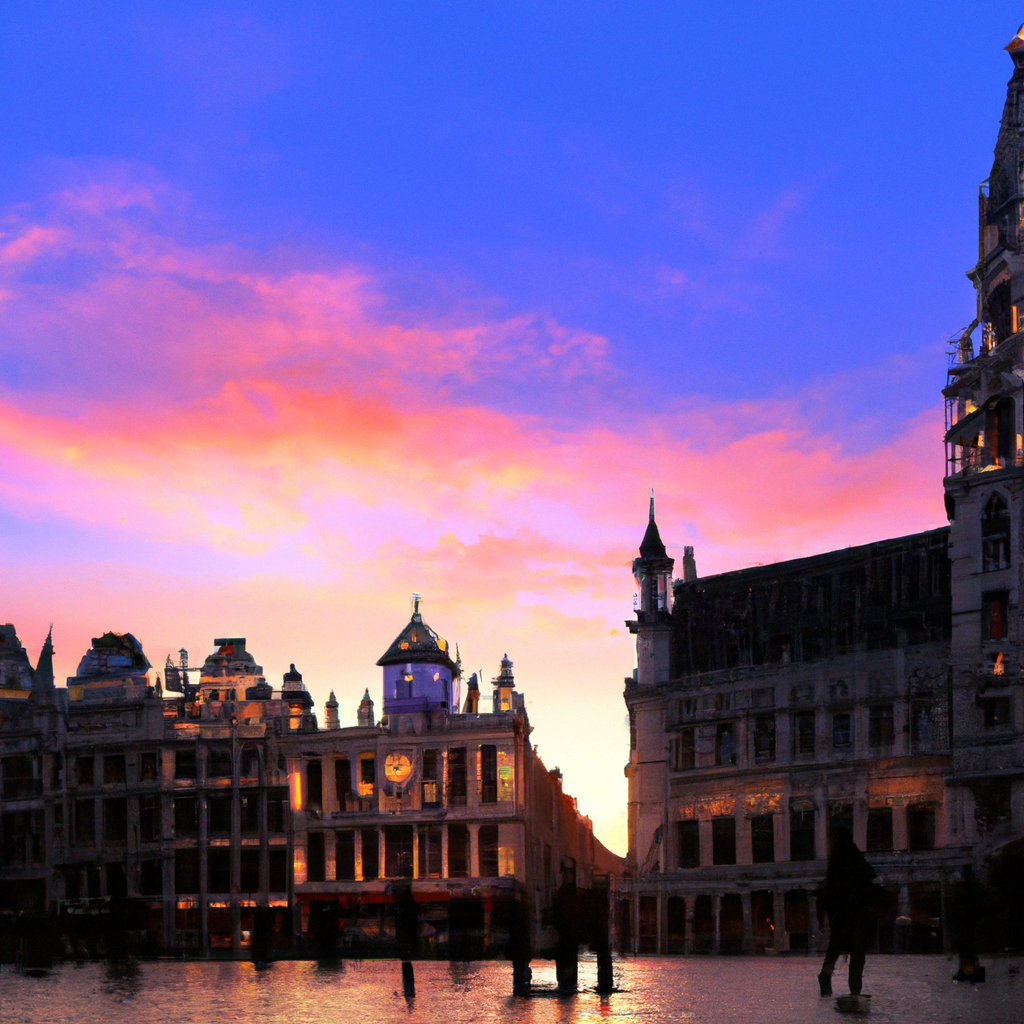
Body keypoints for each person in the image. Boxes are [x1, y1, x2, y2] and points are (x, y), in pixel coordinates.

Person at [817, 829, 877, 997]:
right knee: (857, 951)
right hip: (854, 914)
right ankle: (855, 987)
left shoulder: (834, 867)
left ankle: (826, 977)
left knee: (835, 948)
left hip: (840, 916)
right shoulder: (852, 856)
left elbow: (825, 897)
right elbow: (869, 875)